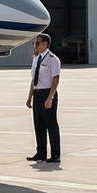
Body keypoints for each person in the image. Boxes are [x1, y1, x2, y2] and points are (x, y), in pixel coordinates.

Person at [26, 33, 61, 163]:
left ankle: (55, 154)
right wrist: (29, 97)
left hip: (47, 93)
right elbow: (33, 79)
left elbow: (55, 79)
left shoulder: (53, 59)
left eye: (37, 43)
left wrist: (50, 97)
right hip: (37, 93)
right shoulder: (36, 59)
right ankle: (41, 152)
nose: (35, 45)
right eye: (35, 43)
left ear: (45, 44)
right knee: (38, 124)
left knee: (51, 125)